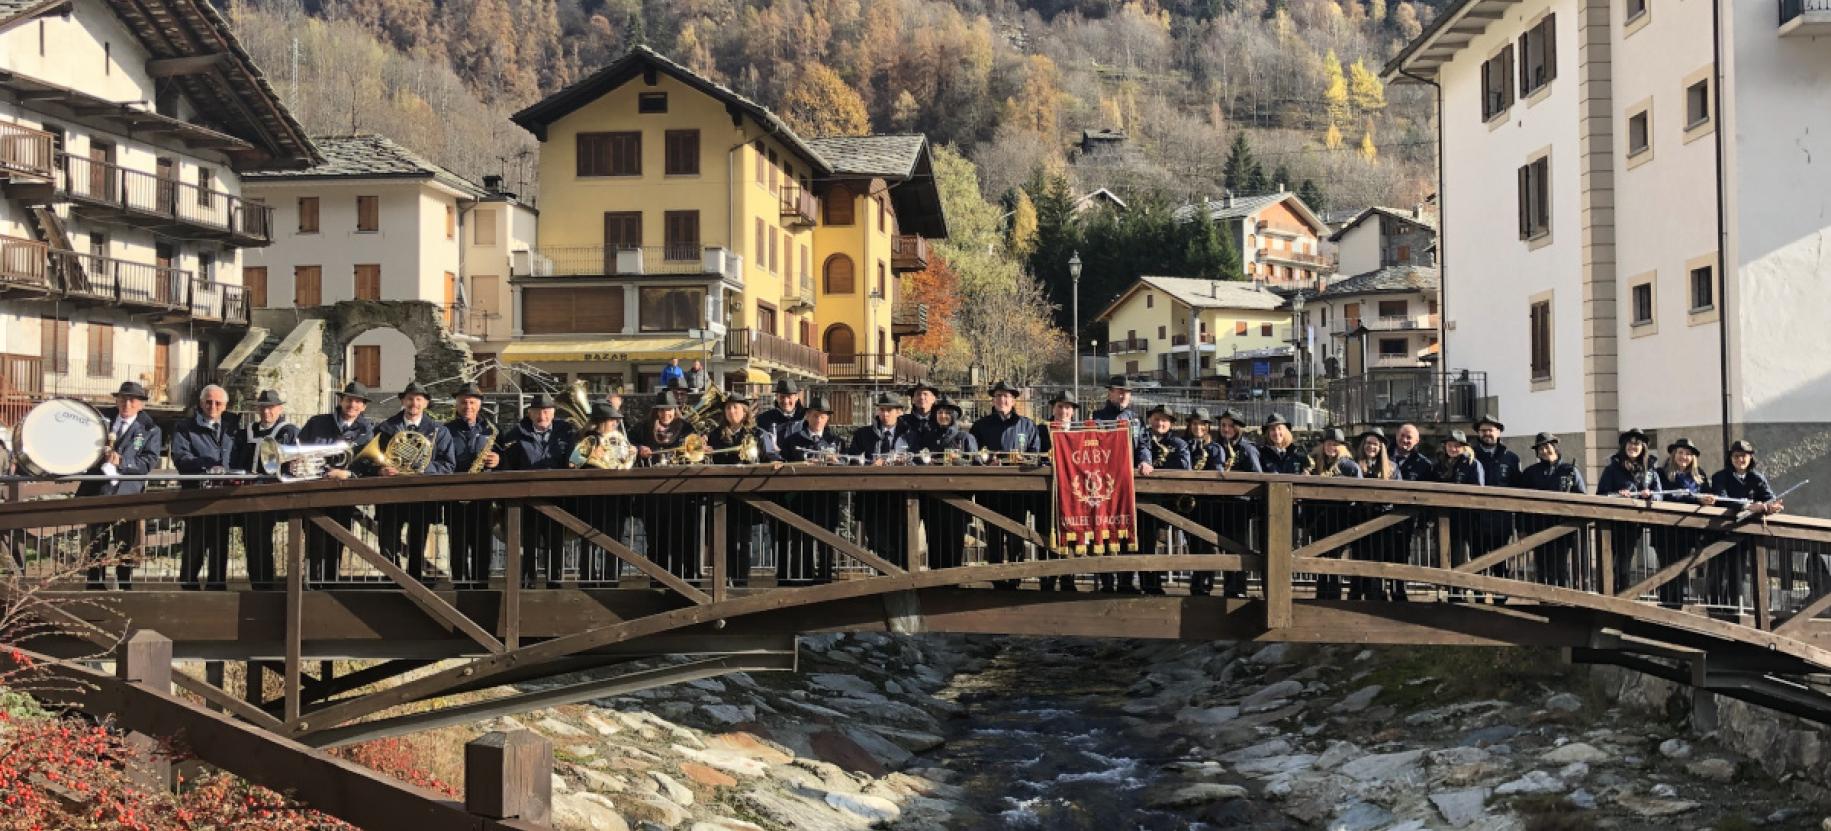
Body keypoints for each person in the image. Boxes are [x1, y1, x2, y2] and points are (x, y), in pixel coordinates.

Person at [366, 381, 456, 583]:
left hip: (420, 496)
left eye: (418, 399)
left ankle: (414, 583)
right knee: (387, 543)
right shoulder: (385, 428)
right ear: (402, 401)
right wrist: (380, 470)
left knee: (417, 543)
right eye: (409, 399)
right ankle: (392, 581)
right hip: (391, 495)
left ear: (425, 403)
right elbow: (369, 461)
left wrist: (422, 468)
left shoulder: (438, 431)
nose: (413, 403)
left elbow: (448, 466)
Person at [80, 381, 161, 590]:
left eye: (132, 400)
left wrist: (123, 462)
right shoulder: (101, 421)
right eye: (123, 399)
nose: (127, 403)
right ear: (116, 400)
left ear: (141, 405)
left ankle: (124, 584)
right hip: (99, 490)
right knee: (97, 539)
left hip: (127, 492)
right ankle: (94, 583)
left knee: (125, 542)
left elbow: (148, 462)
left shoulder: (150, 429)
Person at [299, 382, 377, 584]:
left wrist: (348, 473)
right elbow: (300, 450)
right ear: (341, 400)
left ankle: (330, 585)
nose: (353, 404)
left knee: (338, 540)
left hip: (344, 494)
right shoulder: (317, 422)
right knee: (314, 541)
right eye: (349, 399)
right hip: (315, 491)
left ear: (363, 407)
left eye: (358, 402)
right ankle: (312, 583)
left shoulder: (368, 430)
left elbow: (368, 463)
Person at [970, 381, 1043, 590]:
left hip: (1017, 492)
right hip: (991, 492)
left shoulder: (1027, 425)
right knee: (992, 536)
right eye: (999, 396)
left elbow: (1036, 456)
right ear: (993, 399)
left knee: (1016, 535)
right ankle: (996, 577)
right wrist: (985, 462)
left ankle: (1016, 576)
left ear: (1013, 400)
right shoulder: (981, 425)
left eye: (1007, 396)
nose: (1003, 400)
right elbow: (973, 455)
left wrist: (1024, 460)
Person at [498, 393, 575, 587]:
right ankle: (526, 584)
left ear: (553, 413)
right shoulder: (514, 434)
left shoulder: (567, 431)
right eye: (538, 412)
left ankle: (555, 584)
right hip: (526, 501)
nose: (543, 416)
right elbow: (507, 467)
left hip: (557, 500)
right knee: (527, 544)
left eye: (547, 411)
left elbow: (575, 458)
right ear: (529, 413)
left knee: (555, 545)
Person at [706, 390, 782, 585]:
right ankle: (723, 580)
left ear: (745, 411)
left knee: (743, 542)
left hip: (747, 497)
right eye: (729, 408)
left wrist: (774, 461)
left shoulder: (757, 434)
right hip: (722, 497)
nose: (732, 412)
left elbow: (771, 455)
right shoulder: (714, 435)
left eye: (736, 408)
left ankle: (741, 581)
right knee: (723, 541)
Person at [170, 385, 238, 590]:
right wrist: (207, 465)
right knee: (195, 542)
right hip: (196, 494)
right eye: (208, 402)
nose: (213, 406)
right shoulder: (185, 427)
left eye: (218, 403)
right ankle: (188, 585)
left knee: (220, 543)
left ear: (225, 406)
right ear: (201, 403)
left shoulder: (232, 428)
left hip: (223, 495)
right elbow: (180, 458)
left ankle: (217, 586)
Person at [230, 389, 298, 590]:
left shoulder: (289, 431)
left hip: (279, 491)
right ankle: (258, 584)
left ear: (280, 409)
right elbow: (236, 461)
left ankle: (278, 585)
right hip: (251, 492)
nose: (267, 412)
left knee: (272, 541)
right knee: (254, 540)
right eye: (263, 408)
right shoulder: (246, 432)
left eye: (271, 408)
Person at [633, 395, 700, 580]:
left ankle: (685, 581)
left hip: (681, 495)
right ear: (656, 411)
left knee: (682, 540)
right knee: (655, 541)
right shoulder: (642, 427)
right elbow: (627, 444)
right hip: (652, 495)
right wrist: (639, 449)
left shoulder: (686, 428)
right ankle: (658, 580)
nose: (666, 414)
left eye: (669, 409)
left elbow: (696, 449)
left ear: (675, 410)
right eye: (662, 410)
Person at [779, 395, 846, 582]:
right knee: (801, 540)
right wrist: (802, 464)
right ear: (807, 416)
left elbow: (847, 468)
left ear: (828, 418)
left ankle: (825, 579)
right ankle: (802, 578)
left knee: (827, 540)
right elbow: (783, 465)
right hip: (801, 498)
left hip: (826, 498)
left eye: (823, 416)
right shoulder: (792, 440)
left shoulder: (836, 441)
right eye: (815, 415)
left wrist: (836, 462)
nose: (818, 420)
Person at [1710, 440, 1782, 612]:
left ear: (1750, 458)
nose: (1740, 460)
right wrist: (1747, 506)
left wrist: (1771, 507)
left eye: (1743, 456)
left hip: (1744, 533)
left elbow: (1768, 497)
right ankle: (1712, 607)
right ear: (1730, 458)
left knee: (1738, 572)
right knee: (1717, 571)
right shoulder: (1720, 476)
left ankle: (1735, 608)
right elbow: (1722, 498)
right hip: (1720, 531)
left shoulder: (1757, 477)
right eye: (1736, 456)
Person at [846, 392, 911, 570]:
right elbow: (853, 459)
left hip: (901, 498)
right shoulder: (863, 434)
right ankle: (884, 586)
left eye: (889, 410)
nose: (885, 414)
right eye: (882, 410)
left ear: (899, 412)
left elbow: (920, 458)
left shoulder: (910, 434)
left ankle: (903, 586)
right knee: (878, 543)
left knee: (903, 544)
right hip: (873, 499)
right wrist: (871, 464)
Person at [1597, 428, 1663, 597]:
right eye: (1630, 443)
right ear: (1624, 446)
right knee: (1609, 563)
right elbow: (1601, 494)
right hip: (1611, 524)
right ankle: (1608, 597)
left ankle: (1622, 596)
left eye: (1637, 444)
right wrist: (1618, 495)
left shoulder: (1650, 471)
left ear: (1643, 448)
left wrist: (1650, 496)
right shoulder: (1612, 469)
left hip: (1633, 525)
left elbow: (1660, 495)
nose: (1633, 447)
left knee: (1624, 564)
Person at [443, 383, 499, 587]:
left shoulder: (490, 429)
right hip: (455, 498)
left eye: (472, 402)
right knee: (457, 545)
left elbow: (505, 459)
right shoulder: (445, 429)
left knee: (482, 545)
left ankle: (481, 585)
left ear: (480, 404)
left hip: (482, 497)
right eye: (464, 402)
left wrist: (497, 460)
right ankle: (459, 585)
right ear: (457, 404)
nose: (468, 406)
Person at [1132, 405, 1191, 595]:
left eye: (1165, 420)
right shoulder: (1143, 437)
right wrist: (1145, 462)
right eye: (1157, 419)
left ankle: (1193, 585)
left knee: (1170, 543)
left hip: (1171, 502)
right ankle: (1150, 584)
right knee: (1146, 544)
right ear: (1150, 420)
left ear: (1171, 424)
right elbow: (1143, 451)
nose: (1160, 423)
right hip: (1146, 501)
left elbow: (1184, 466)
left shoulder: (1179, 443)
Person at [916, 396, 978, 575]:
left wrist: (958, 462)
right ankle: (936, 582)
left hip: (957, 500)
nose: (943, 416)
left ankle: (954, 581)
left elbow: (975, 465)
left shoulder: (965, 437)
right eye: (940, 412)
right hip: (932, 501)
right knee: (933, 542)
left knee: (954, 543)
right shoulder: (927, 438)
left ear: (954, 416)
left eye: (947, 413)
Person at [1517, 432, 1587, 589]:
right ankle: (1545, 602)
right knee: (1542, 568)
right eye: (1540, 448)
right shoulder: (1530, 473)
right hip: (1537, 527)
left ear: (1554, 447)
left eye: (1547, 446)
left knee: (1560, 568)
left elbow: (1582, 497)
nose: (1544, 451)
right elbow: (1521, 503)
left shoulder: (1570, 470)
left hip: (1563, 528)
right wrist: (1521, 528)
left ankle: (1563, 602)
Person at [1656, 438, 1717, 607]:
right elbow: (1667, 497)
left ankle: (1678, 608)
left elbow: (1708, 494)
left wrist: (1709, 500)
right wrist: (1697, 501)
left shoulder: (1699, 476)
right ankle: (1666, 608)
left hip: (1689, 532)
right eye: (1681, 453)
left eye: (1688, 454)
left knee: (1683, 572)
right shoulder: (1661, 474)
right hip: (1666, 531)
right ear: (1674, 455)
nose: (1684, 456)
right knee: (1667, 571)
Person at [1304, 427, 1363, 600]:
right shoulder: (1315, 464)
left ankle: (1334, 596)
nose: (1331, 447)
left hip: (1340, 520)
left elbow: (1359, 494)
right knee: (1321, 561)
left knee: (1335, 561)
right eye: (1328, 444)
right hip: (1319, 520)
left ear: (1342, 446)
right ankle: (1321, 594)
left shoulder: (1350, 466)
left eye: (1335, 444)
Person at [754, 377, 806, 573]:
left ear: (797, 396)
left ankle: (804, 574)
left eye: (790, 397)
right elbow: (765, 447)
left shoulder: (806, 416)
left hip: (802, 482)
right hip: (775, 482)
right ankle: (783, 574)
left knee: (804, 531)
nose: (786, 401)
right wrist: (775, 457)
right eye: (783, 397)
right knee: (780, 532)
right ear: (777, 397)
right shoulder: (765, 419)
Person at [1035, 391, 1081, 591]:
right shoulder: (1041, 430)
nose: (1064, 411)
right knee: (1045, 533)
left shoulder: (1079, 432)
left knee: (1071, 533)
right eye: (1060, 407)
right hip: (1047, 490)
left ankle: (1068, 576)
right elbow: (1036, 453)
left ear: (1073, 412)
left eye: (1068, 407)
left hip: (1073, 493)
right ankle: (1046, 577)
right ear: (1053, 408)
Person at [1214, 409, 1262, 598]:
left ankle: (1239, 588)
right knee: (1224, 547)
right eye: (1223, 425)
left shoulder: (1248, 448)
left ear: (1238, 428)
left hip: (1239, 505)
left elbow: (1257, 476)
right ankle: (1227, 587)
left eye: (1230, 426)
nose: (1226, 429)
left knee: (1239, 547)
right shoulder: (1217, 445)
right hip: (1219, 504)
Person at [1470, 415, 1522, 586]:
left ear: (1498, 432)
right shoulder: (1470, 455)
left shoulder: (1511, 458)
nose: (1487, 434)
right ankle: (1478, 595)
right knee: (1477, 559)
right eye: (1483, 430)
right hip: (1476, 519)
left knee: (1500, 559)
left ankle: (1500, 595)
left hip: (1501, 519)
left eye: (1490, 430)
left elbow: (1518, 488)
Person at [1435, 430, 1486, 600]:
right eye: (1450, 445)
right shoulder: (1440, 464)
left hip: (1470, 517)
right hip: (1447, 518)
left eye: (1456, 445)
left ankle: (1478, 592)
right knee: (1453, 556)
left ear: (1464, 447)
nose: (1453, 448)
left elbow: (1478, 491)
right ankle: (1456, 593)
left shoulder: (1473, 464)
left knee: (1473, 556)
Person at [1352, 427, 1400, 601]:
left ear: (1381, 448)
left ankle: (1376, 594)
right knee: (1358, 557)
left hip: (1382, 521)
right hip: (1358, 518)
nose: (1371, 447)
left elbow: (1399, 494)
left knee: (1378, 557)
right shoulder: (1353, 464)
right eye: (1368, 443)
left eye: (1375, 444)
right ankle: (1356, 594)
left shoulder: (1392, 467)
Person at [1092, 376, 1141, 444]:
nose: (1123, 396)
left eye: (1126, 393)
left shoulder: (1136, 418)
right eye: (1120, 392)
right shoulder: (1097, 418)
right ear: (1109, 394)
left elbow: (1143, 446)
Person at [897, 381, 943, 452]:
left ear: (934, 399)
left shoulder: (940, 421)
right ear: (912, 400)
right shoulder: (902, 421)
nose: (921, 397)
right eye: (918, 394)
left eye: (925, 394)